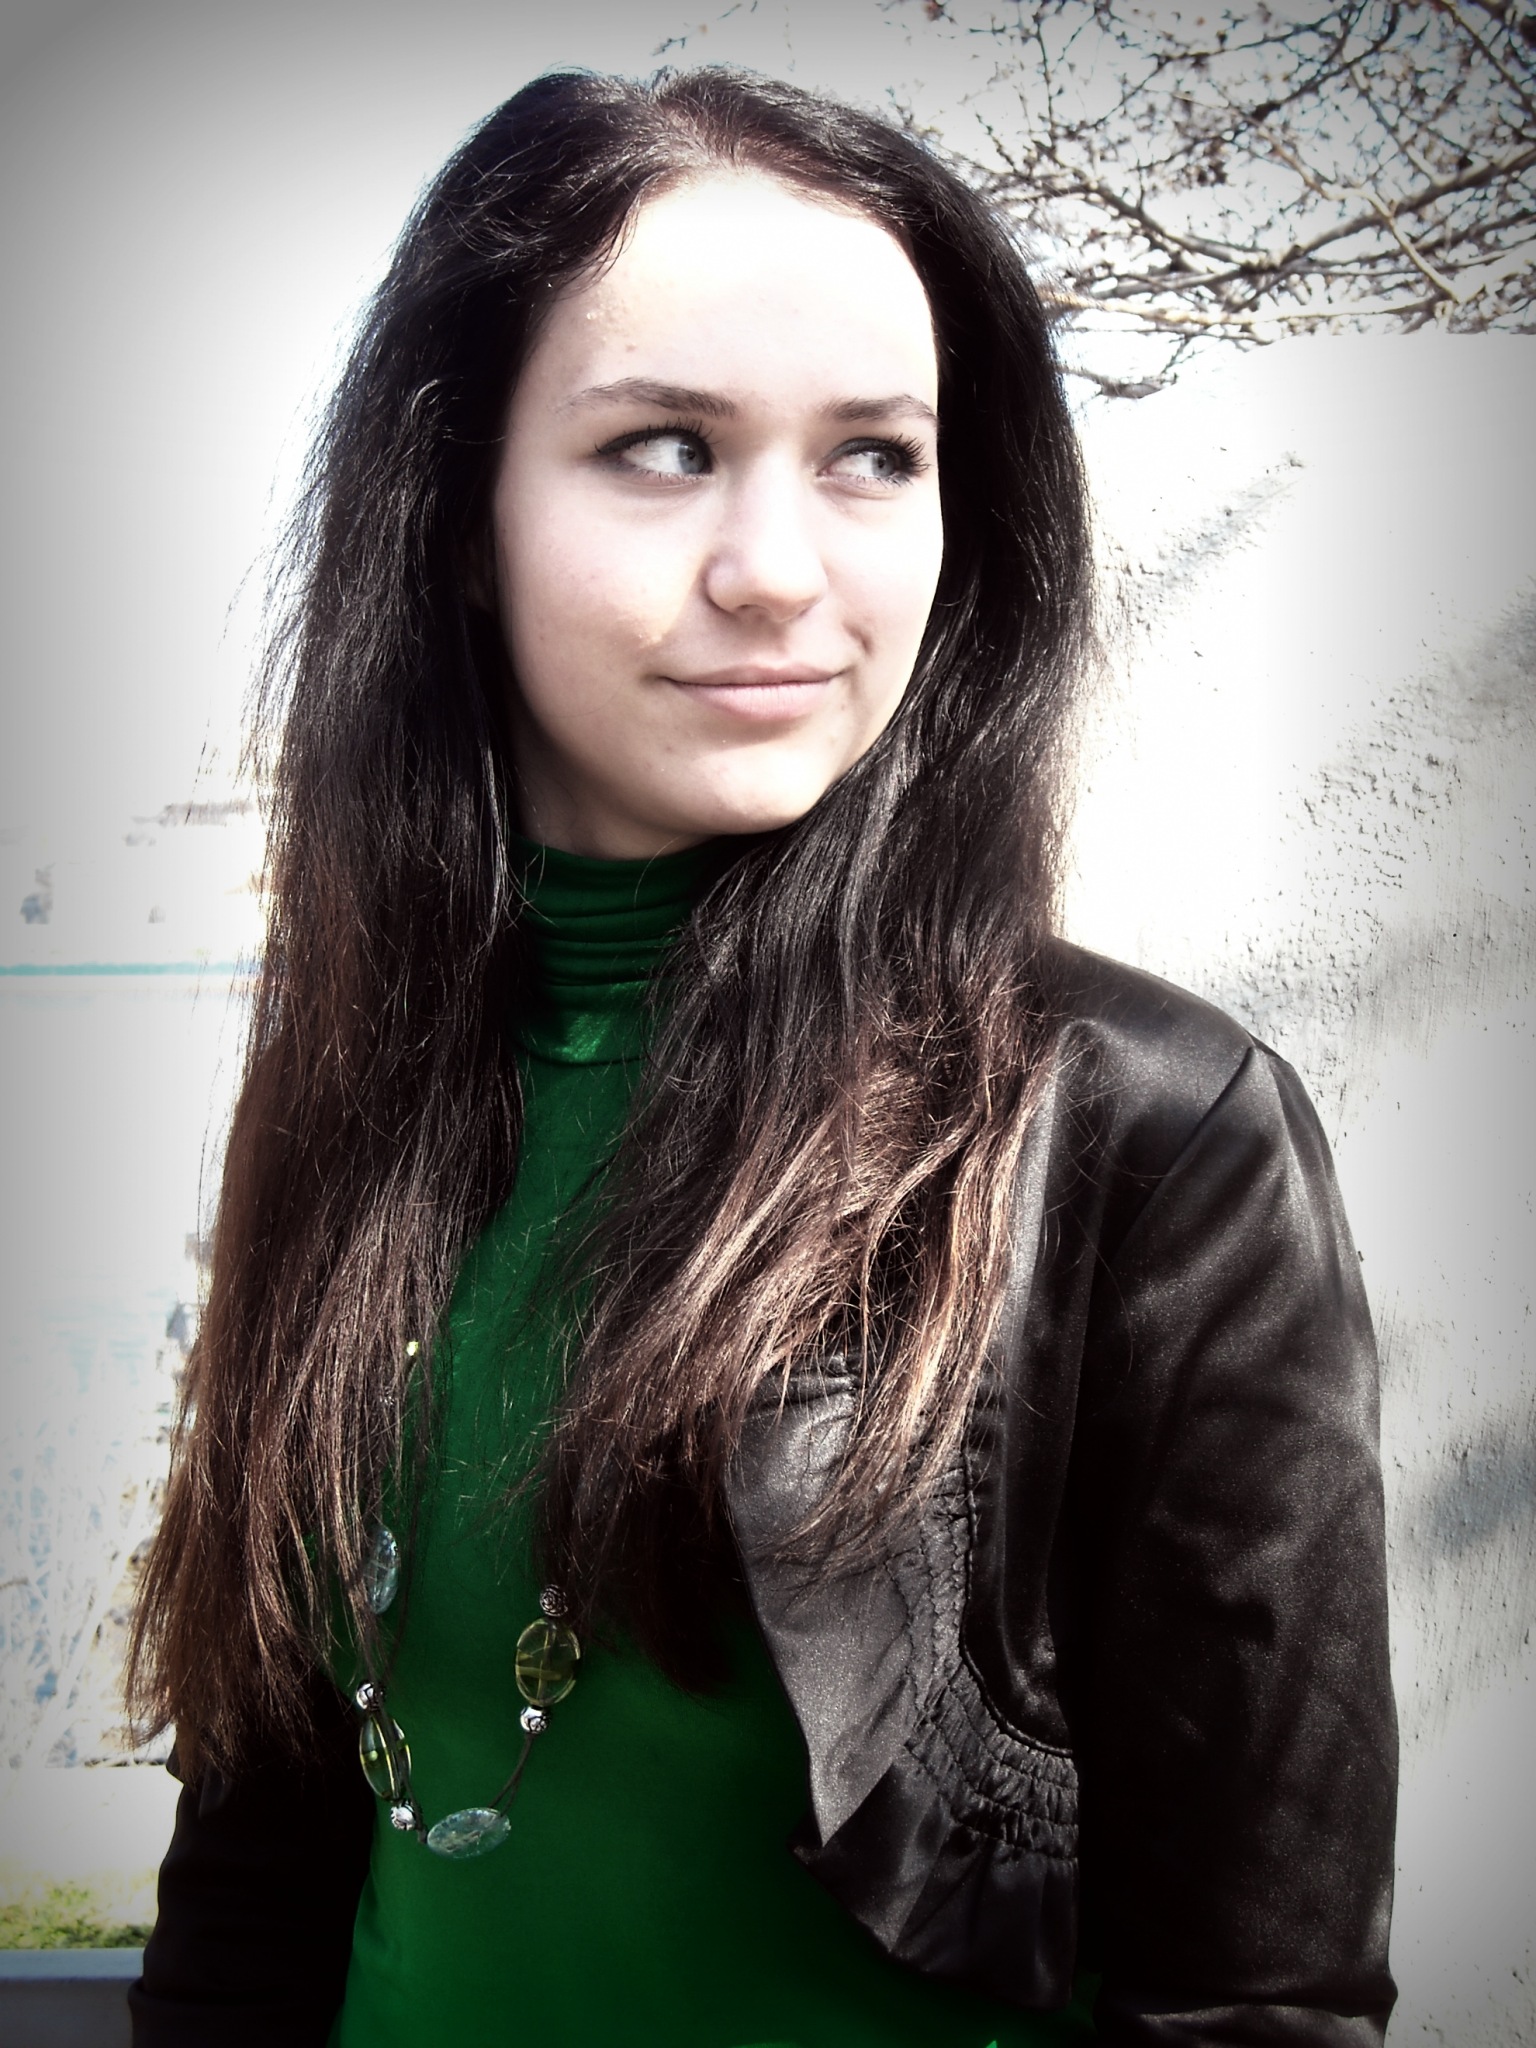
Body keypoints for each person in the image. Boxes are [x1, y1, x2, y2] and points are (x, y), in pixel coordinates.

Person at [126, 66, 1397, 2048]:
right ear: (460, 516)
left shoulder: (1146, 1136)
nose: (780, 569)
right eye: (663, 448)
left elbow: (1262, 1997)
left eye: (875, 456)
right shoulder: (358, 1088)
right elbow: (257, 1874)